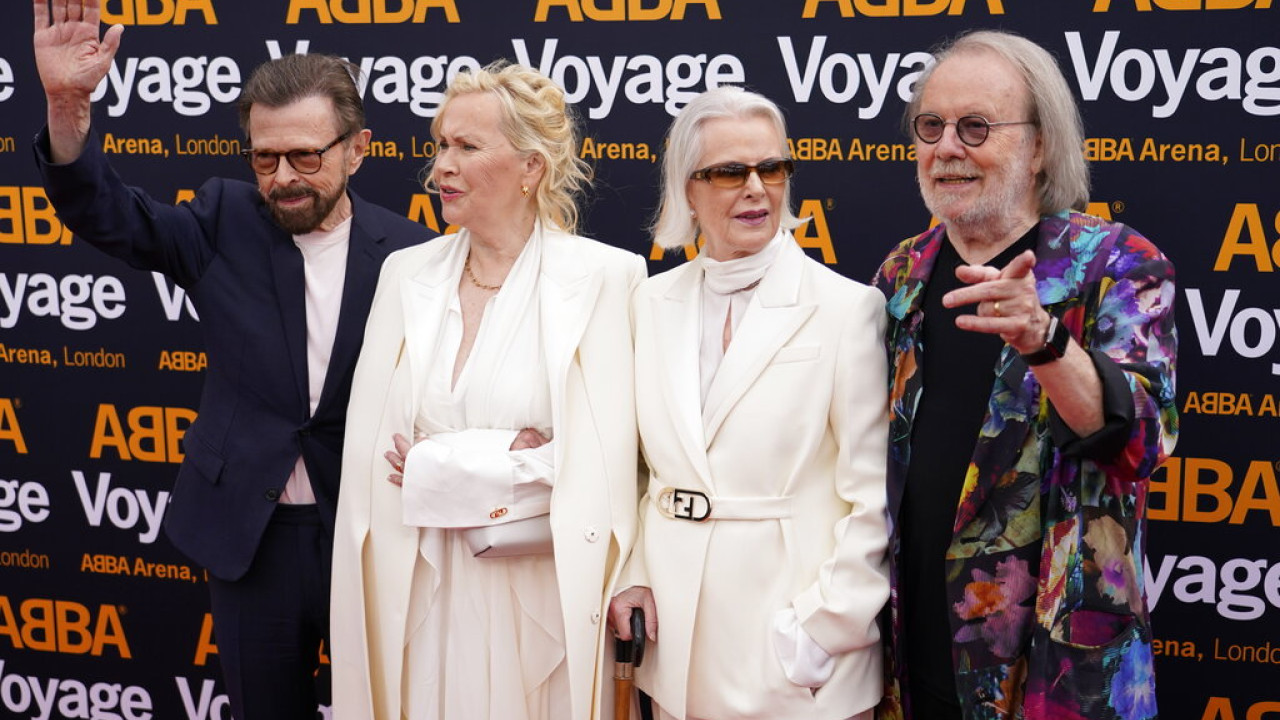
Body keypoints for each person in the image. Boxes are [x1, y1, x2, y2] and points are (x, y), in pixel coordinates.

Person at [32, 2, 431, 718]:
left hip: (368, 535)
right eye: (264, 158)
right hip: (250, 540)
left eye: (306, 156)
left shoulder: (410, 254)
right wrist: (67, 107)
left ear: (358, 149)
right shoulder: (223, 220)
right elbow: (109, 215)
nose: (283, 178)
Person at [872, 30, 1178, 720]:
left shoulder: (1118, 265)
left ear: (1039, 146)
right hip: (913, 662)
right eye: (931, 126)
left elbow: (1142, 442)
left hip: (1056, 676)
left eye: (976, 127)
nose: (947, 147)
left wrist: (1043, 339)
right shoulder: (900, 275)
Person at [330, 61, 646, 720]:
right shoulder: (404, 275)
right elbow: (374, 460)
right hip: (418, 587)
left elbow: (610, 469)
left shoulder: (608, 280)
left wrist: (451, 464)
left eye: (468, 146)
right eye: (442, 144)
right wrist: (515, 455)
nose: (442, 166)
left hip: (539, 596)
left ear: (531, 167)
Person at [608, 86, 891, 720]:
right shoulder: (648, 304)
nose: (757, 188)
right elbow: (634, 470)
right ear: (688, 189)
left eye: (772, 168)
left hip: (800, 658)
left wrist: (822, 631)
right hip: (676, 649)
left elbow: (872, 495)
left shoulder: (846, 308)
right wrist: (634, 571)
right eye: (731, 171)